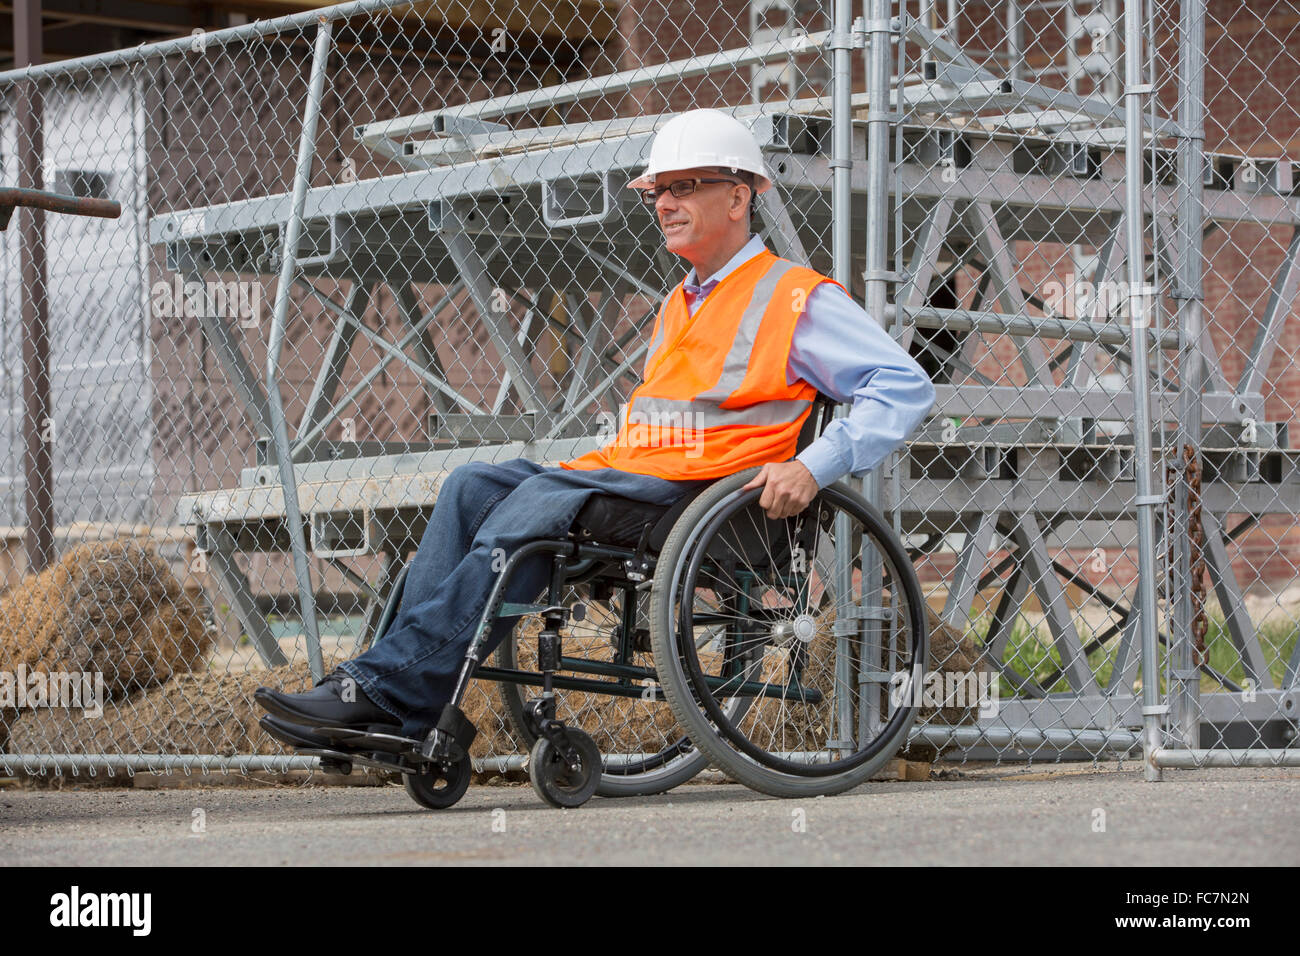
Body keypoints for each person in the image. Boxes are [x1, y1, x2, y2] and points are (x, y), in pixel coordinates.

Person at [255, 107, 935, 741]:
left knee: (539, 506)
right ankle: (404, 700)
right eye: (656, 192)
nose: (664, 204)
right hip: (641, 482)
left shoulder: (795, 297)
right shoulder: (681, 304)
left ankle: (388, 693)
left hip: (714, 501)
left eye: (684, 187)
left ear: (738, 197)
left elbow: (903, 386)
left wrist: (813, 467)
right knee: (470, 486)